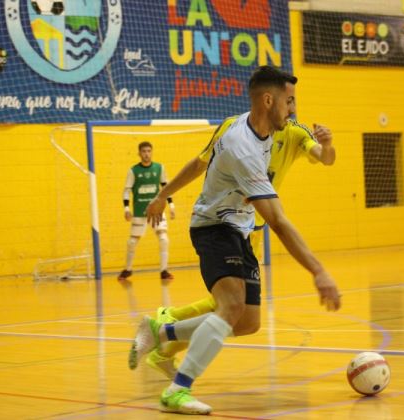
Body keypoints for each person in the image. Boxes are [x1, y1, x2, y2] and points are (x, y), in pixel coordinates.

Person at [128, 66, 341, 415]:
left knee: (247, 321)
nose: (293, 109)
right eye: (289, 102)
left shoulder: (270, 129)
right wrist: (318, 271)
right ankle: (178, 390)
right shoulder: (241, 144)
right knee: (229, 307)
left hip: (241, 229)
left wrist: (162, 196)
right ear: (268, 100)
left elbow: (320, 160)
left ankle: (160, 331)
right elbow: (278, 220)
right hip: (214, 226)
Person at [143, 119, 336, 378]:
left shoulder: (295, 134)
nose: (288, 107)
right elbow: (199, 163)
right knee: (230, 305)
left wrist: (328, 145)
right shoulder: (234, 130)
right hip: (223, 224)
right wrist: (162, 195)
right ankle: (168, 330)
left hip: (252, 229)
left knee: (234, 310)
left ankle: (164, 343)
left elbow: (325, 158)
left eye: (291, 101)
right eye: (285, 99)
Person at [117, 141, 175, 285]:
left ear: (152, 152)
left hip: (156, 211)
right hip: (139, 211)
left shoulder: (159, 168)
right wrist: (126, 208)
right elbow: (126, 190)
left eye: (149, 151)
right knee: (132, 242)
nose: (146, 154)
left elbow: (166, 187)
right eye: (144, 151)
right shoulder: (133, 171)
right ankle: (128, 269)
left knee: (163, 239)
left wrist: (171, 205)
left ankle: (164, 271)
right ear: (139, 153)